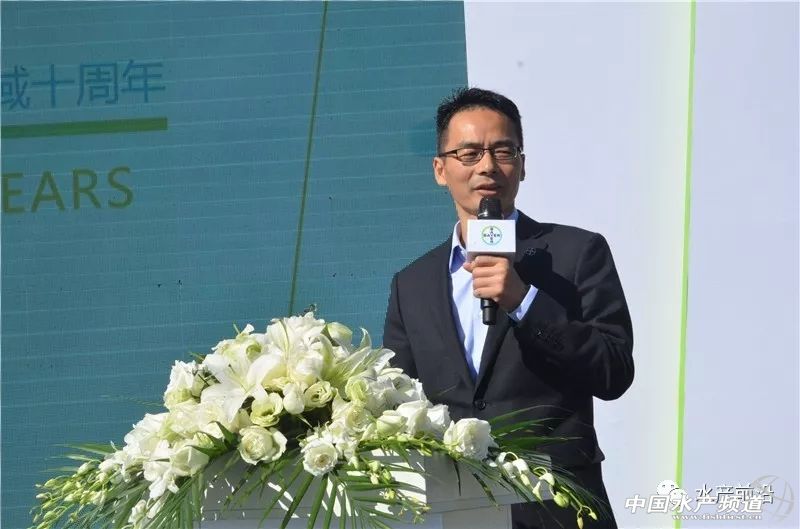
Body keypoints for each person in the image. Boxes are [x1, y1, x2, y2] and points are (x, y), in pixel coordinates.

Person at [383, 87, 634, 529]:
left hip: (558, 508)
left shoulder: (576, 253)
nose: (487, 166)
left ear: (522, 164)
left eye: (503, 151)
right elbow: (398, 399)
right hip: (455, 510)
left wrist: (524, 301)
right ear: (440, 169)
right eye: (469, 153)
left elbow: (613, 372)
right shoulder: (412, 284)